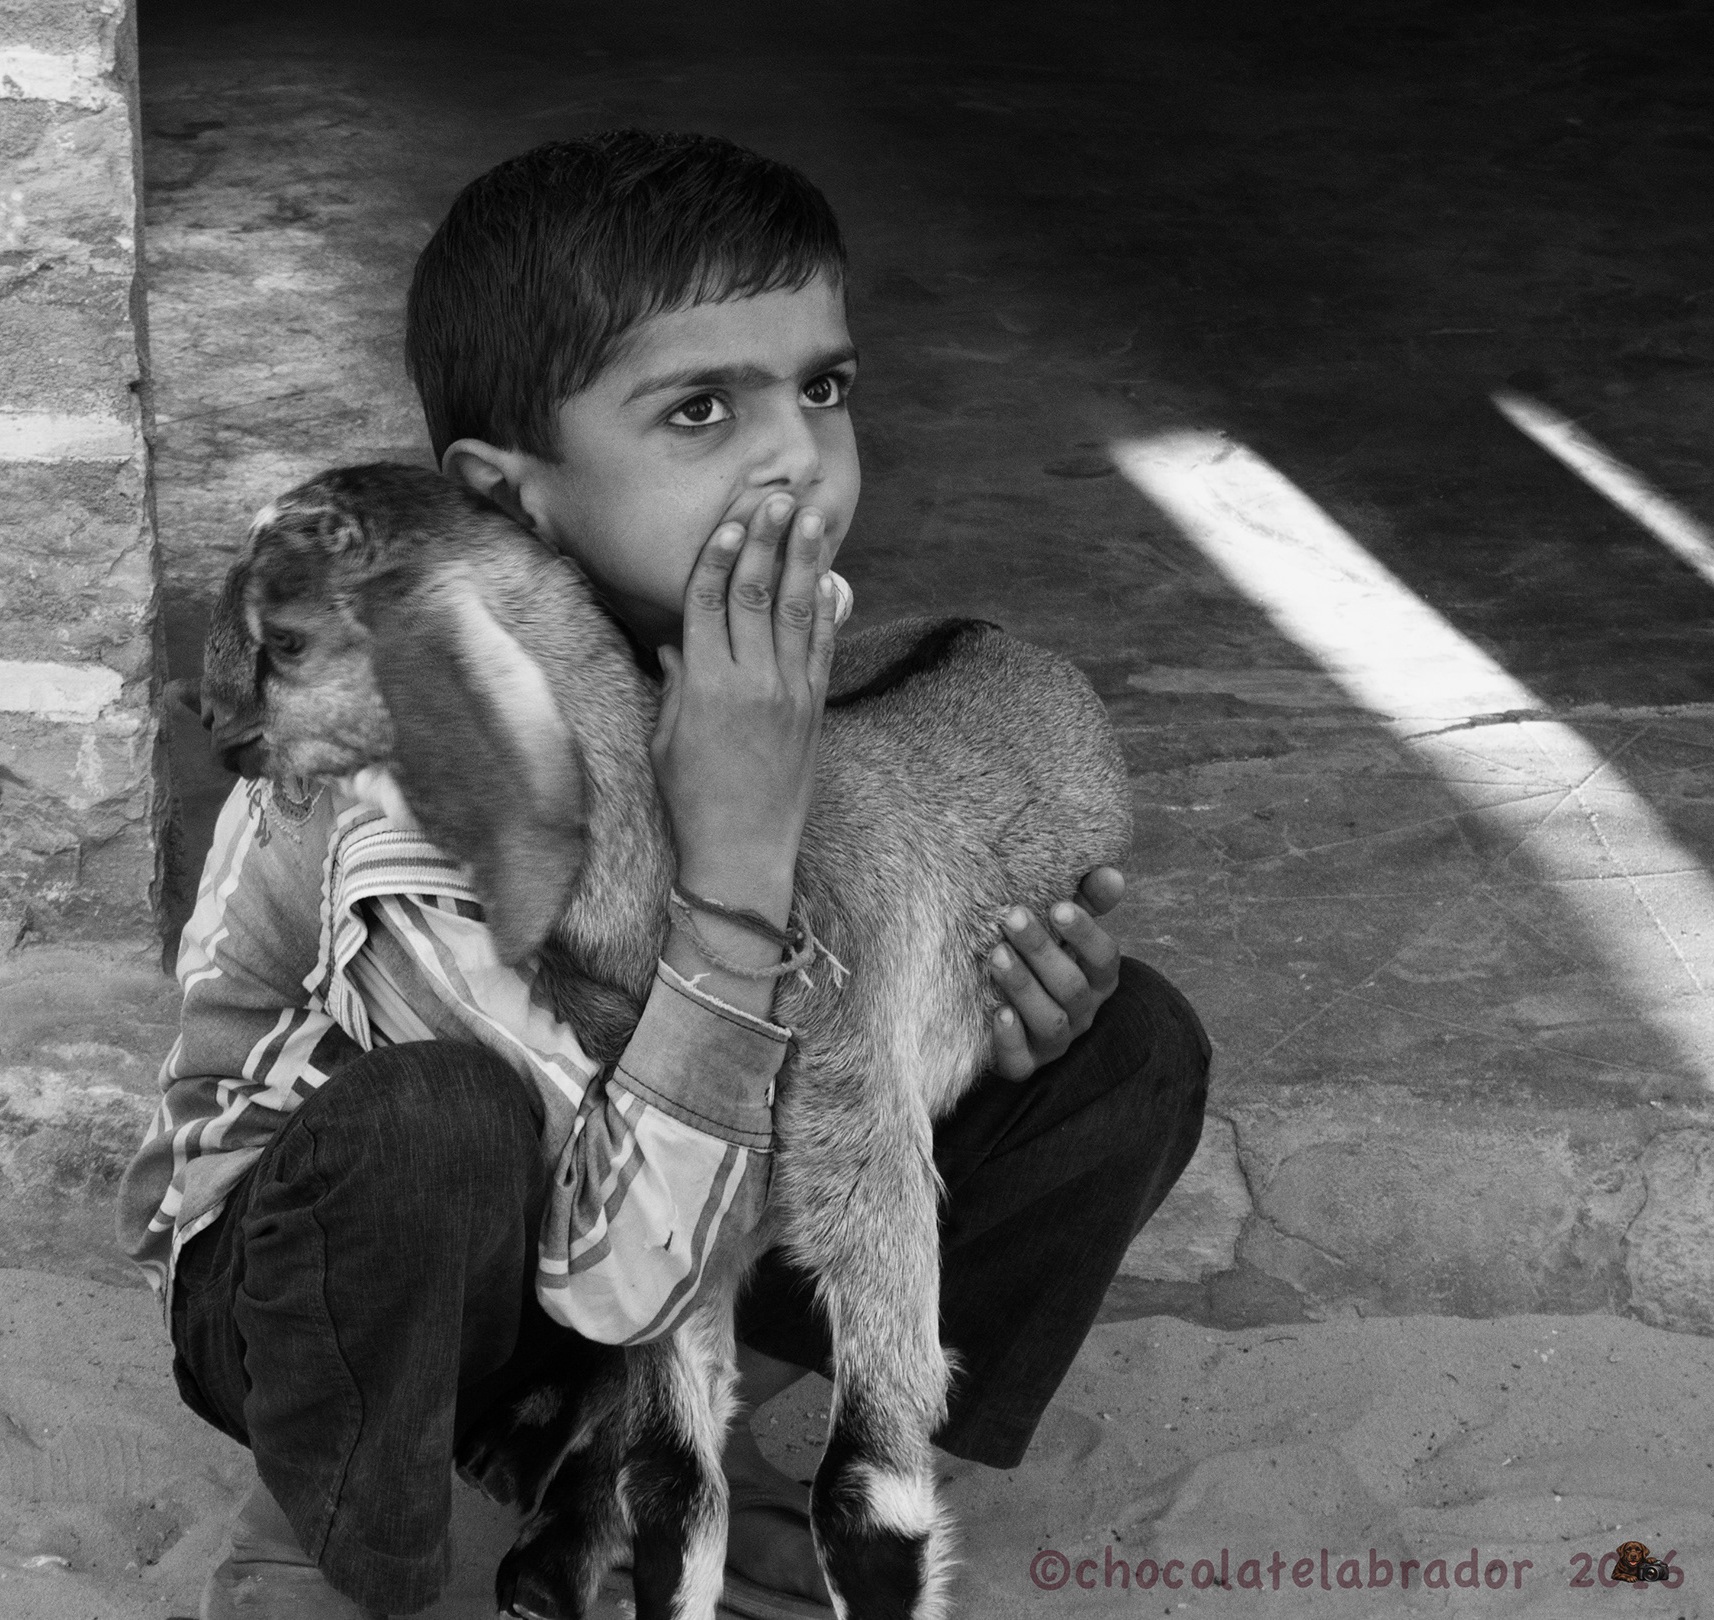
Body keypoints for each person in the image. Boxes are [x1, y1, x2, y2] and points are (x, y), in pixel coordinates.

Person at [117, 128, 1210, 1620]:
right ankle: (321, 1537)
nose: (795, 457)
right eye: (701, 409)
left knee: (1128, 1054)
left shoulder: (767, 657)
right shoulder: (415, 785)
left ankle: (699, 1467)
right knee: (436, 1131)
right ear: (507, 501)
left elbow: (776, 1062)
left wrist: (952, 1023)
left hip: (639, 1205)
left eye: (823, 388)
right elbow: (618, 1241)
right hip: (357, 1275)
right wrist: (746, 858)